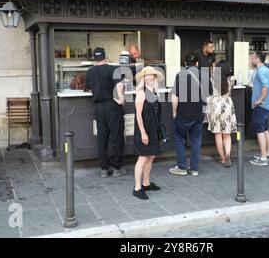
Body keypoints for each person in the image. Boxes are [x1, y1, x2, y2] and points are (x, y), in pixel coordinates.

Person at [85, 47, 126, 178]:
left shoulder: (90, 72)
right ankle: (116, 168)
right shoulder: (112, 69)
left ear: (94, 58)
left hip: (99, 107)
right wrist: (121, 99)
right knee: (116, 137)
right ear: (105, 57)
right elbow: (119, 85)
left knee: (102, 138)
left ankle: (104, 169)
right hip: (113, 106)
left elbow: (89, 88)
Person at [169, 52, 205, 177]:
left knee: (180, 140)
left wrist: (174, 112)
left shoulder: (181, 74)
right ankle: (194, 169)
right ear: (197, 63)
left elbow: (175, 96)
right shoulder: (203, 75)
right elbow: (209, 98)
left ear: (185, 64)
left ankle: (182, 167)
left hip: (183, 114)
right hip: (198, 114)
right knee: (196, 141)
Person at [132, 66, 164, 200]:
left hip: (153, 130)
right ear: (143, 78)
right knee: (143, 157)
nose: (149, 77)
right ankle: (137, 188)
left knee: (151, 156)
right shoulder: (141, 92)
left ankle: (146, 183)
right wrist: (143, 133)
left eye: (152, 75)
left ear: (155, 77)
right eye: (147, 75)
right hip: (144, 130)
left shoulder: (154, 92)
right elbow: (138, 114)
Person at [207, 60, 237, 168]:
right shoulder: (231, 79)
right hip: (227, 105)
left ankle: (223, 158)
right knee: (227, 134)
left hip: (216, 105)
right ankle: (228, 154)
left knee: (218, 134)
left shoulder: (212, 79)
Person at [249, 51, 269, 167]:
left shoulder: (260, 71)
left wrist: (259, 100)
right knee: (265, 130)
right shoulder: (267, 69)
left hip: (261, 106)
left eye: (252, 57)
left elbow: (266, 86)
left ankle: (263, 158)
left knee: (260, 131)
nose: (251, 59)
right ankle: (267, 154)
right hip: (268, 105)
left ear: (257, 58)